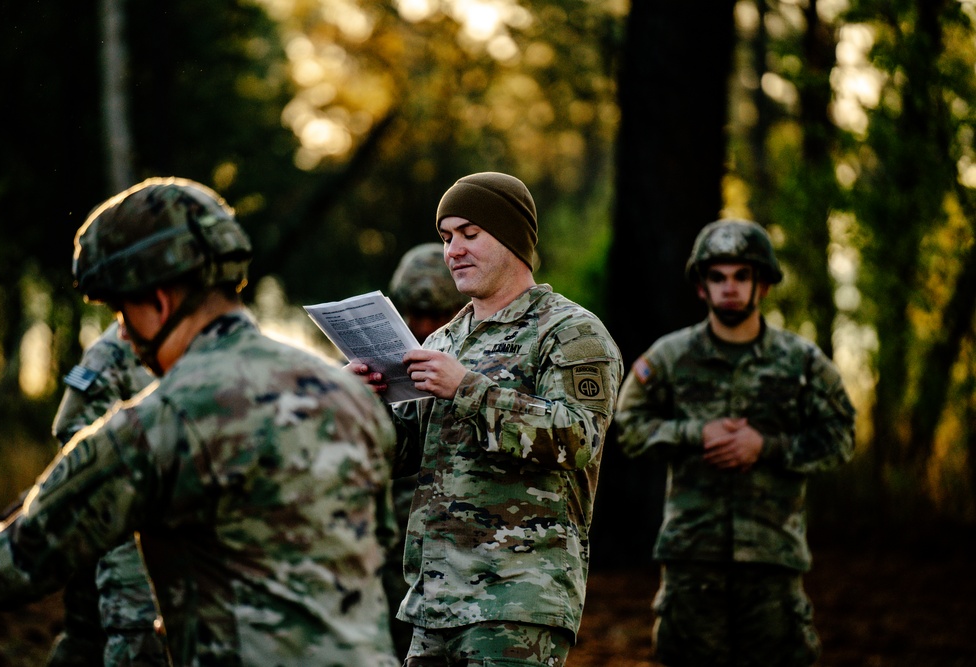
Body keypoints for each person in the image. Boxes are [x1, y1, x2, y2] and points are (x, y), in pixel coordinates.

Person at [0, 177, 400, 666]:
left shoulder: (159, 422)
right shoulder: (349, 395)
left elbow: (15, 561)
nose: (126, 339)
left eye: (122, 313)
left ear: (159, 302)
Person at [352, 172, 624, 666]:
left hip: (518, 599)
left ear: (512, 237)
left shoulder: (568, 331)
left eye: (469, 234)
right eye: (446, 237)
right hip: (432, 604)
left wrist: (468, 390)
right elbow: (403, 454)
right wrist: (363, 402)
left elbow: (579, 438)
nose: (453, 249)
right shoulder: (441, 342)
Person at [614, 218, 856, 667]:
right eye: (718, 277)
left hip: (772, 562)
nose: (730, 287)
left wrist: (767, 446)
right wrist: (692, 433)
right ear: (701, 287)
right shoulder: (670, 357)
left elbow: (841, 436)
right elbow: (627, 424)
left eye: (741, 276)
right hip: (692, 563)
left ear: (762, 284)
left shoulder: (801, 363)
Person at [47, 322, 168, 667]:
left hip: (180, 539)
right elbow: (73, 434)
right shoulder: (111, 351)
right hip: (122, 535)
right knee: (130, 639)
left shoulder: (206, 342)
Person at [384, 242, 470, 661]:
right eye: (413, 315)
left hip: (446, 562)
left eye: (437, 316)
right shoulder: (370, 364)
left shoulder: (475, 368)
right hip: (376, 552)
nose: (422, 327)